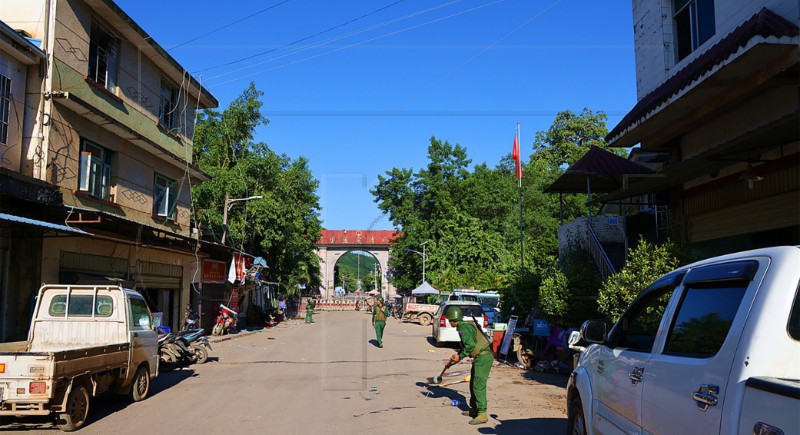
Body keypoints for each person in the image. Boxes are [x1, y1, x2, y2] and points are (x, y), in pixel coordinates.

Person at [445, 306, 493, 425]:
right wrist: (453, 361)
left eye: (448, 320)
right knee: (473, 384)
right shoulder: (464, 325)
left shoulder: (463, 328)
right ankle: (475, 409)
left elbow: (470, 346)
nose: (448, 322)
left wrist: (459, 357)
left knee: (478, 385)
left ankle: (482, 413)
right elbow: (465, 347)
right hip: (480, 357)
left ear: (452, 320)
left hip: (483, 357)